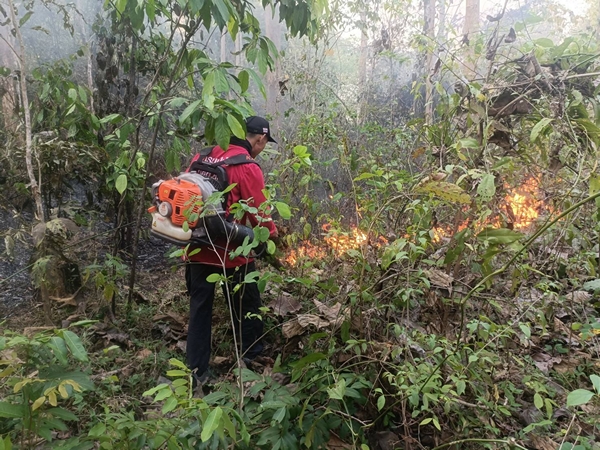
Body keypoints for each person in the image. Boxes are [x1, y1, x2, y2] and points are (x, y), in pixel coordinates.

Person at [184, 116, 278, 384]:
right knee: (247, 304)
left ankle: (196, 373)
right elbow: (260, 216)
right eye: (264, 143)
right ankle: (250, 357)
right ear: (260, 139)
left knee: (199, 310)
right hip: (231, 252)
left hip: (196, 247)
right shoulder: (246, 166)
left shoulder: (202, 156)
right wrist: (271, 236)